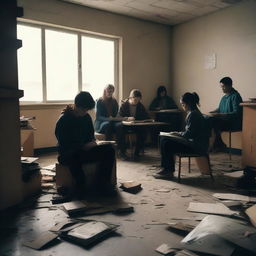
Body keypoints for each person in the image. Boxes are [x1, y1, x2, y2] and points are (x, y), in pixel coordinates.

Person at [55, 91, 115, 196]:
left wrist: (93, 143)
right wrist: (82, 146)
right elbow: (64, 144)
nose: (85, 112)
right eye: (83, 109)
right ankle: (80, 187)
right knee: (74, 157)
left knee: (109, 150)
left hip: (84, 151)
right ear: (76, 105)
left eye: (87, 110)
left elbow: (90, 137)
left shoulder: (86, 117)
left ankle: (102, 184)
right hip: (68, 154)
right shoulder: (63, 120)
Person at [155, 92, 209, 179]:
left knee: (166, 143)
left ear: (188, 104)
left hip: (196, 147)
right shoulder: (194, 113)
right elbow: (189, 132)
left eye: (183, 104)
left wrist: (178, 134)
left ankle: (168, 171)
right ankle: (167, 169)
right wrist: (178, 134)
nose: (182, 106)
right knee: (164, 140)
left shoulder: (193, 115)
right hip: (194, 144)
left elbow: (188, 134)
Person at [209, 77, 243, 152]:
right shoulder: (224, 98)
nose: (222, 89)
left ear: (230, 85)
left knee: (214, 122)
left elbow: (236, 113)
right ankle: (218, 144)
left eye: (224, 86)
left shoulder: (236, 96)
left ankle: (218, 144)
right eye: (221, 87)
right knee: (208, 120)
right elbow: (219, 109)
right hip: (224, 122)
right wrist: (211, 112)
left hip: (233, 123)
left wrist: (220, 115)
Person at [95, 84, 126, 158]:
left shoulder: (114, 101)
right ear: (105, 91)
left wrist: (119, 117)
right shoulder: (99, 101)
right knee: (108, 124)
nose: (110, 93)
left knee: (120, 125)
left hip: (112, 122)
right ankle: (108, 150)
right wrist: (108, 119)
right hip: (101, 123)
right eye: (108, 91)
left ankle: (121, 151)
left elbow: (115, 115)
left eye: (111, 92)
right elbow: (98, 117)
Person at [118, 89, 150, 157]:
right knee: (120, 128)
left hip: (136, 125)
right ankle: (122, 151)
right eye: (135, 100)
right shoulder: (124, 105)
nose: (137, 102)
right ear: (130, 98)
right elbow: (120, 116)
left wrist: (148, 119)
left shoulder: (140, 105)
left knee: (144, 129)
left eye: (138, 100)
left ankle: (137, 151)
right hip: (125, 125)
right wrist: (127, 119)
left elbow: (146, 115)